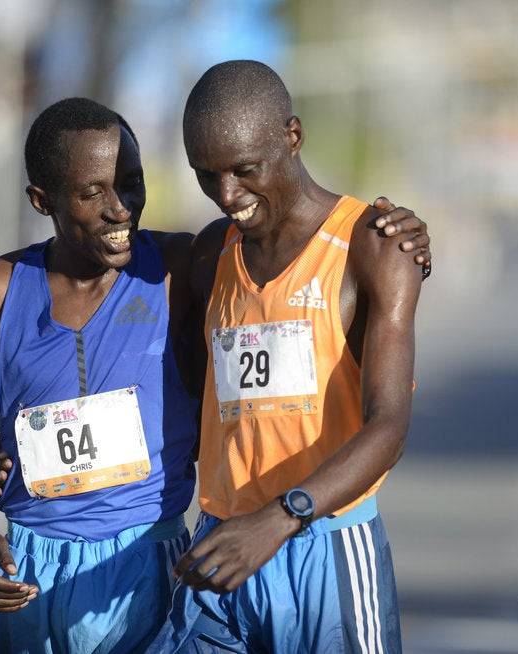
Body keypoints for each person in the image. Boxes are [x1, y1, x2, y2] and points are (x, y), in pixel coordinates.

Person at [0, 97, 429, 653]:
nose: (120, 209)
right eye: (93, 193)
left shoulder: (179, 266)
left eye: (131, 184)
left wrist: (396, 236)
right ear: (42, 201)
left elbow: (285, 251)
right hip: (32, 571)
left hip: (153, 559)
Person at [147, 60, 421, 652]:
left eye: (246, 170)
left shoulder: (373, 245)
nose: (227, 195)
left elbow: (389, 427)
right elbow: (184, 397)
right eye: (206, 176)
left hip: (324, 548)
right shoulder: (209, 255)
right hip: (222, 549)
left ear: (292, 136)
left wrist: (280, 517)